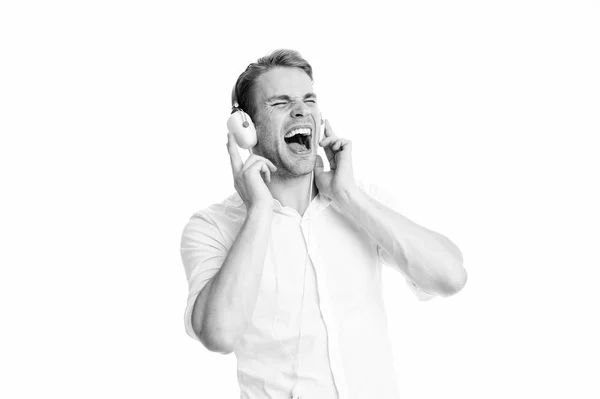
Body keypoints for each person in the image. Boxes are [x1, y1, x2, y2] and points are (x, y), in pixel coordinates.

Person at [180, 49, 467, 399]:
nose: (301, 110)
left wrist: (348, 197)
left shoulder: (362, 201)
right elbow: (219, 335)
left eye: (309, 99)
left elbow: (451, 277)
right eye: (280, 102)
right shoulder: (211, 227)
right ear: (247, 129)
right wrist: (258, 211)